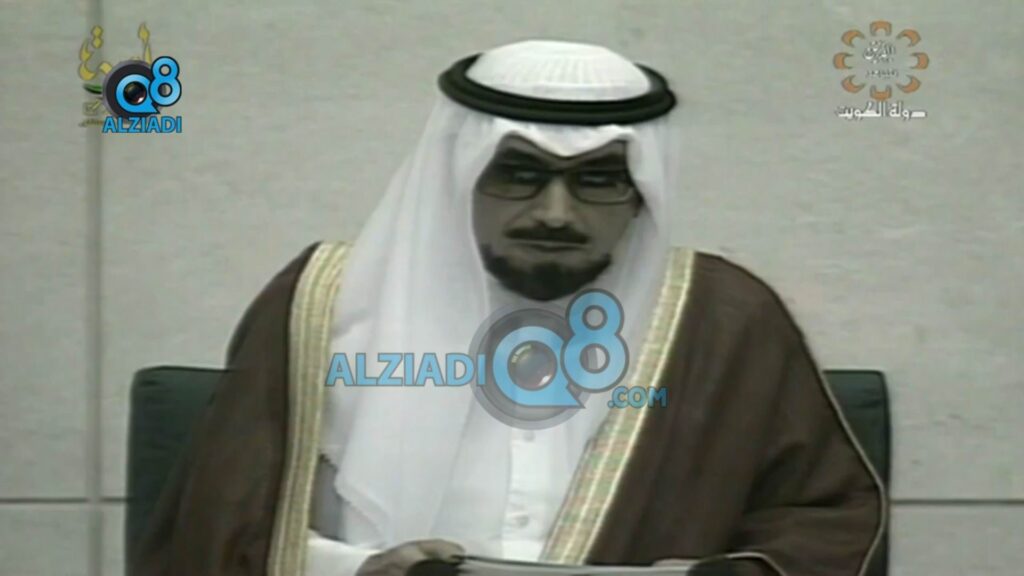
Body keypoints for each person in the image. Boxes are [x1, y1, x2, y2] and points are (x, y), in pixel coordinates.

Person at [132, 40, 886, 576]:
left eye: (598, 180)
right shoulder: (325, 301)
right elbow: (218, 527)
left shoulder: (723, 319)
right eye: (518, 173)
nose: (555, 213)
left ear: (641, 193)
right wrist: (358, 570)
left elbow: (820, 515)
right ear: (457, 173)